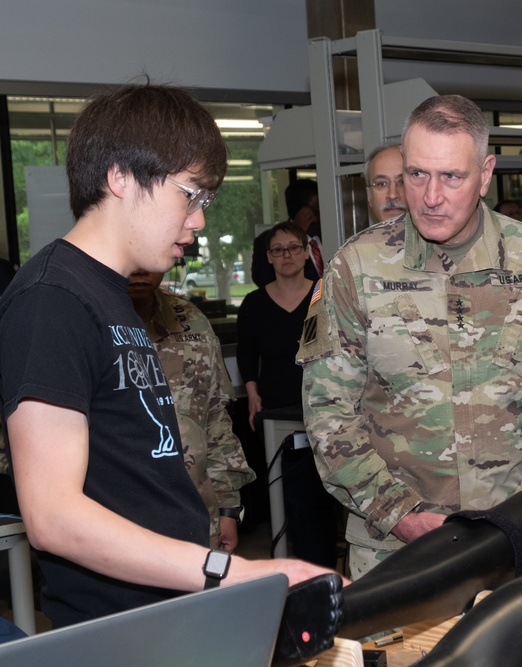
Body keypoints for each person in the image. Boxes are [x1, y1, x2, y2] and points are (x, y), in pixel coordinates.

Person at [0, 83, 335, 628]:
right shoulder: (51, 301)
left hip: (169, 608)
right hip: (117, 629)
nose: (199, 220)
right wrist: (228, 571)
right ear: (120, 177)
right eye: (190, 195)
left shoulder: (113, 296)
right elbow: (53, 516)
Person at [298, 94, 522, 579]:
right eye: (416, 174)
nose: (430, 196)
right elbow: (329, 415)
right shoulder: (358, 268)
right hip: (393, 549)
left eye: (451, 177)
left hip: (519, 545)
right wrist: (402, 515)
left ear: (485, 173)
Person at [128, 269, 256, 552]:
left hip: (196, 518)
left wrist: (228, 507)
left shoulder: (190, 319)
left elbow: (215, 418)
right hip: (116, 526)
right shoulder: (78, 316)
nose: (140, 270)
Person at [238, 221, 341, 568]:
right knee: (293, 497)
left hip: (325, 404)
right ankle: (309, 568)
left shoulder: (324, 295)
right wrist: (251, 392)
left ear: (305, 251)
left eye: (293, 247)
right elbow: (247, 353)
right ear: (269, 257)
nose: (287, 255)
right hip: (277, 408)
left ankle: (330, 563)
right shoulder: (254, 303)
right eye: (278, 249)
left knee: (327, 493)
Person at [251, 178, 322, 287]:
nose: (320, 217)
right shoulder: (269, 241)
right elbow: (263, 280)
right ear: (302, 212)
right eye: (317, 211)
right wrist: (296, 234)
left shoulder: (333, 234)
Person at [366, 143, 408, 223]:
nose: (392, 195)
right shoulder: (363, 236)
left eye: (402, 182)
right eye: (381, 184)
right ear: (369, 196)